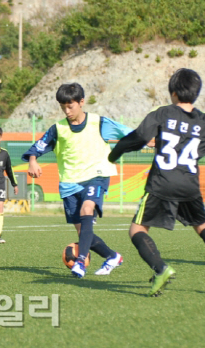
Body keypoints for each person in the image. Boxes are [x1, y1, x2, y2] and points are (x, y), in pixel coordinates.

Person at [109, 68, 205, 296]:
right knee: (203, 226)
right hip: (189, 185)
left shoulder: (163, 114)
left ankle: (161, 269)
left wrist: (114, 154)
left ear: (173, 91)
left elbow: (138, 138)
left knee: (137, 229)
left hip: (161, 183)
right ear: (196, 93)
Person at [22, 83, 131, 279]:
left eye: (70, 105)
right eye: (63, 106)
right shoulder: (58, 128)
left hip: (97, 176)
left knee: (86, 210)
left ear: (81, 102)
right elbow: (38, 147)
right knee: (83, 234)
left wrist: (155, 140)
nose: (66, 110)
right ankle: (112, 257)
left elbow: (131, 134)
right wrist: (32, 161)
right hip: (70, 183)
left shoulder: (100, 123)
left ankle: (80, 261)